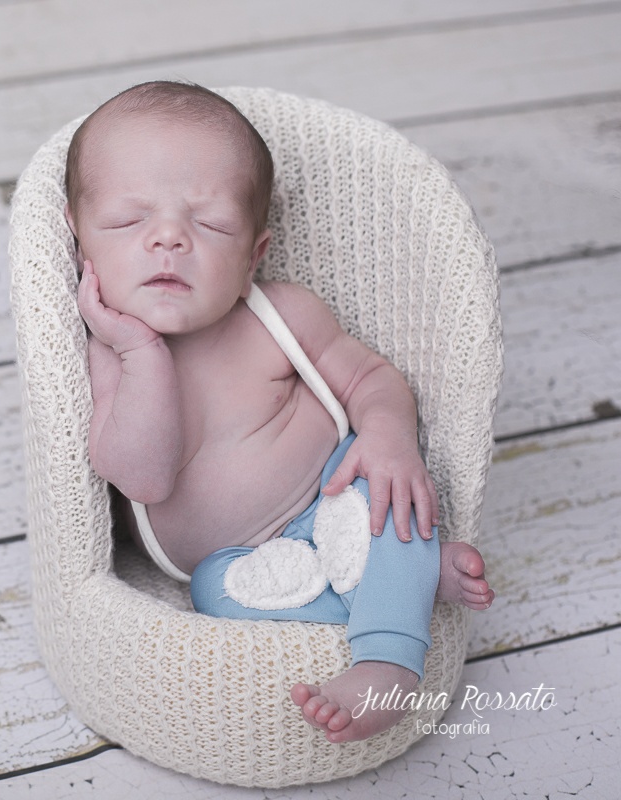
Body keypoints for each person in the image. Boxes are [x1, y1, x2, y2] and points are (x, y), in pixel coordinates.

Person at [65, 81, 494, 743]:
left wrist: (386, 436)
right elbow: (145, 481)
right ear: (80, 241)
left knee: (390, 497)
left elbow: (372, 377)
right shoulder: (106, 359)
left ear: (252, 256)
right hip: (230, 559)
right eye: (129, 221)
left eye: (209, 224)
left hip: (332, 495)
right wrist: (141, 349)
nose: (170, 239)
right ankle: (401, 578)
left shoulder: (279, 315)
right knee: (217, 595)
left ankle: (389, 659)